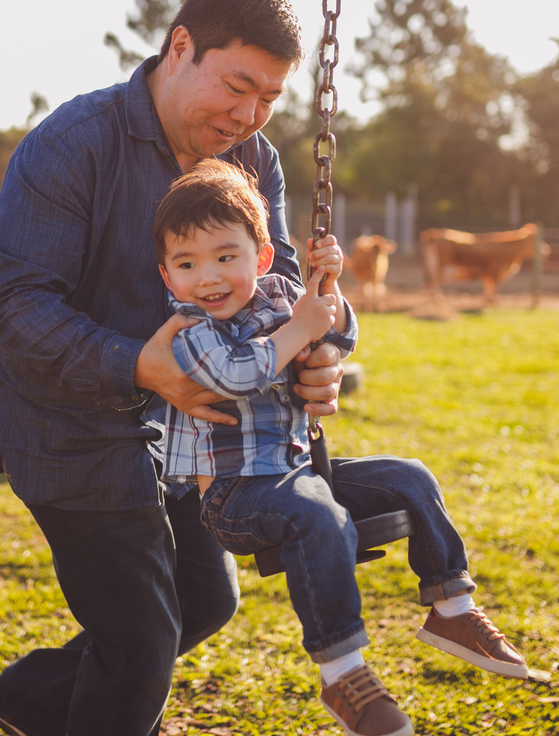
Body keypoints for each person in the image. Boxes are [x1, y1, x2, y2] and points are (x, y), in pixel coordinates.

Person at [0, 0, 344, 736]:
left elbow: (274, 285)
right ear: (181, 47)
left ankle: (30, 701)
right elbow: (16, 308)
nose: (249, 115)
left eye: (270, 99)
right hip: (68, 424)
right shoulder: (74, 145)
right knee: (143, 646)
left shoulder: (255, 162)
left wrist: (313, 353)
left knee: (207, 600)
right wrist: (137, 365)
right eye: (238, 86)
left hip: (189, 428)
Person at [146, 160, 530, 736]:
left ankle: (451, 607)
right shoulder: (189, 330)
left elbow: (339, 335)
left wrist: (329, 290)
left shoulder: (280, 297)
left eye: (226, 256)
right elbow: (234, 374)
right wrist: (298, 329)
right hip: (234, 497)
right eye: (187, 264)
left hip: (298, 470)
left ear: (263, 257)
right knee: (315, 512)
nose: (209, 277)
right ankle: (343, 672)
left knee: (410, 476)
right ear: (168, 276)